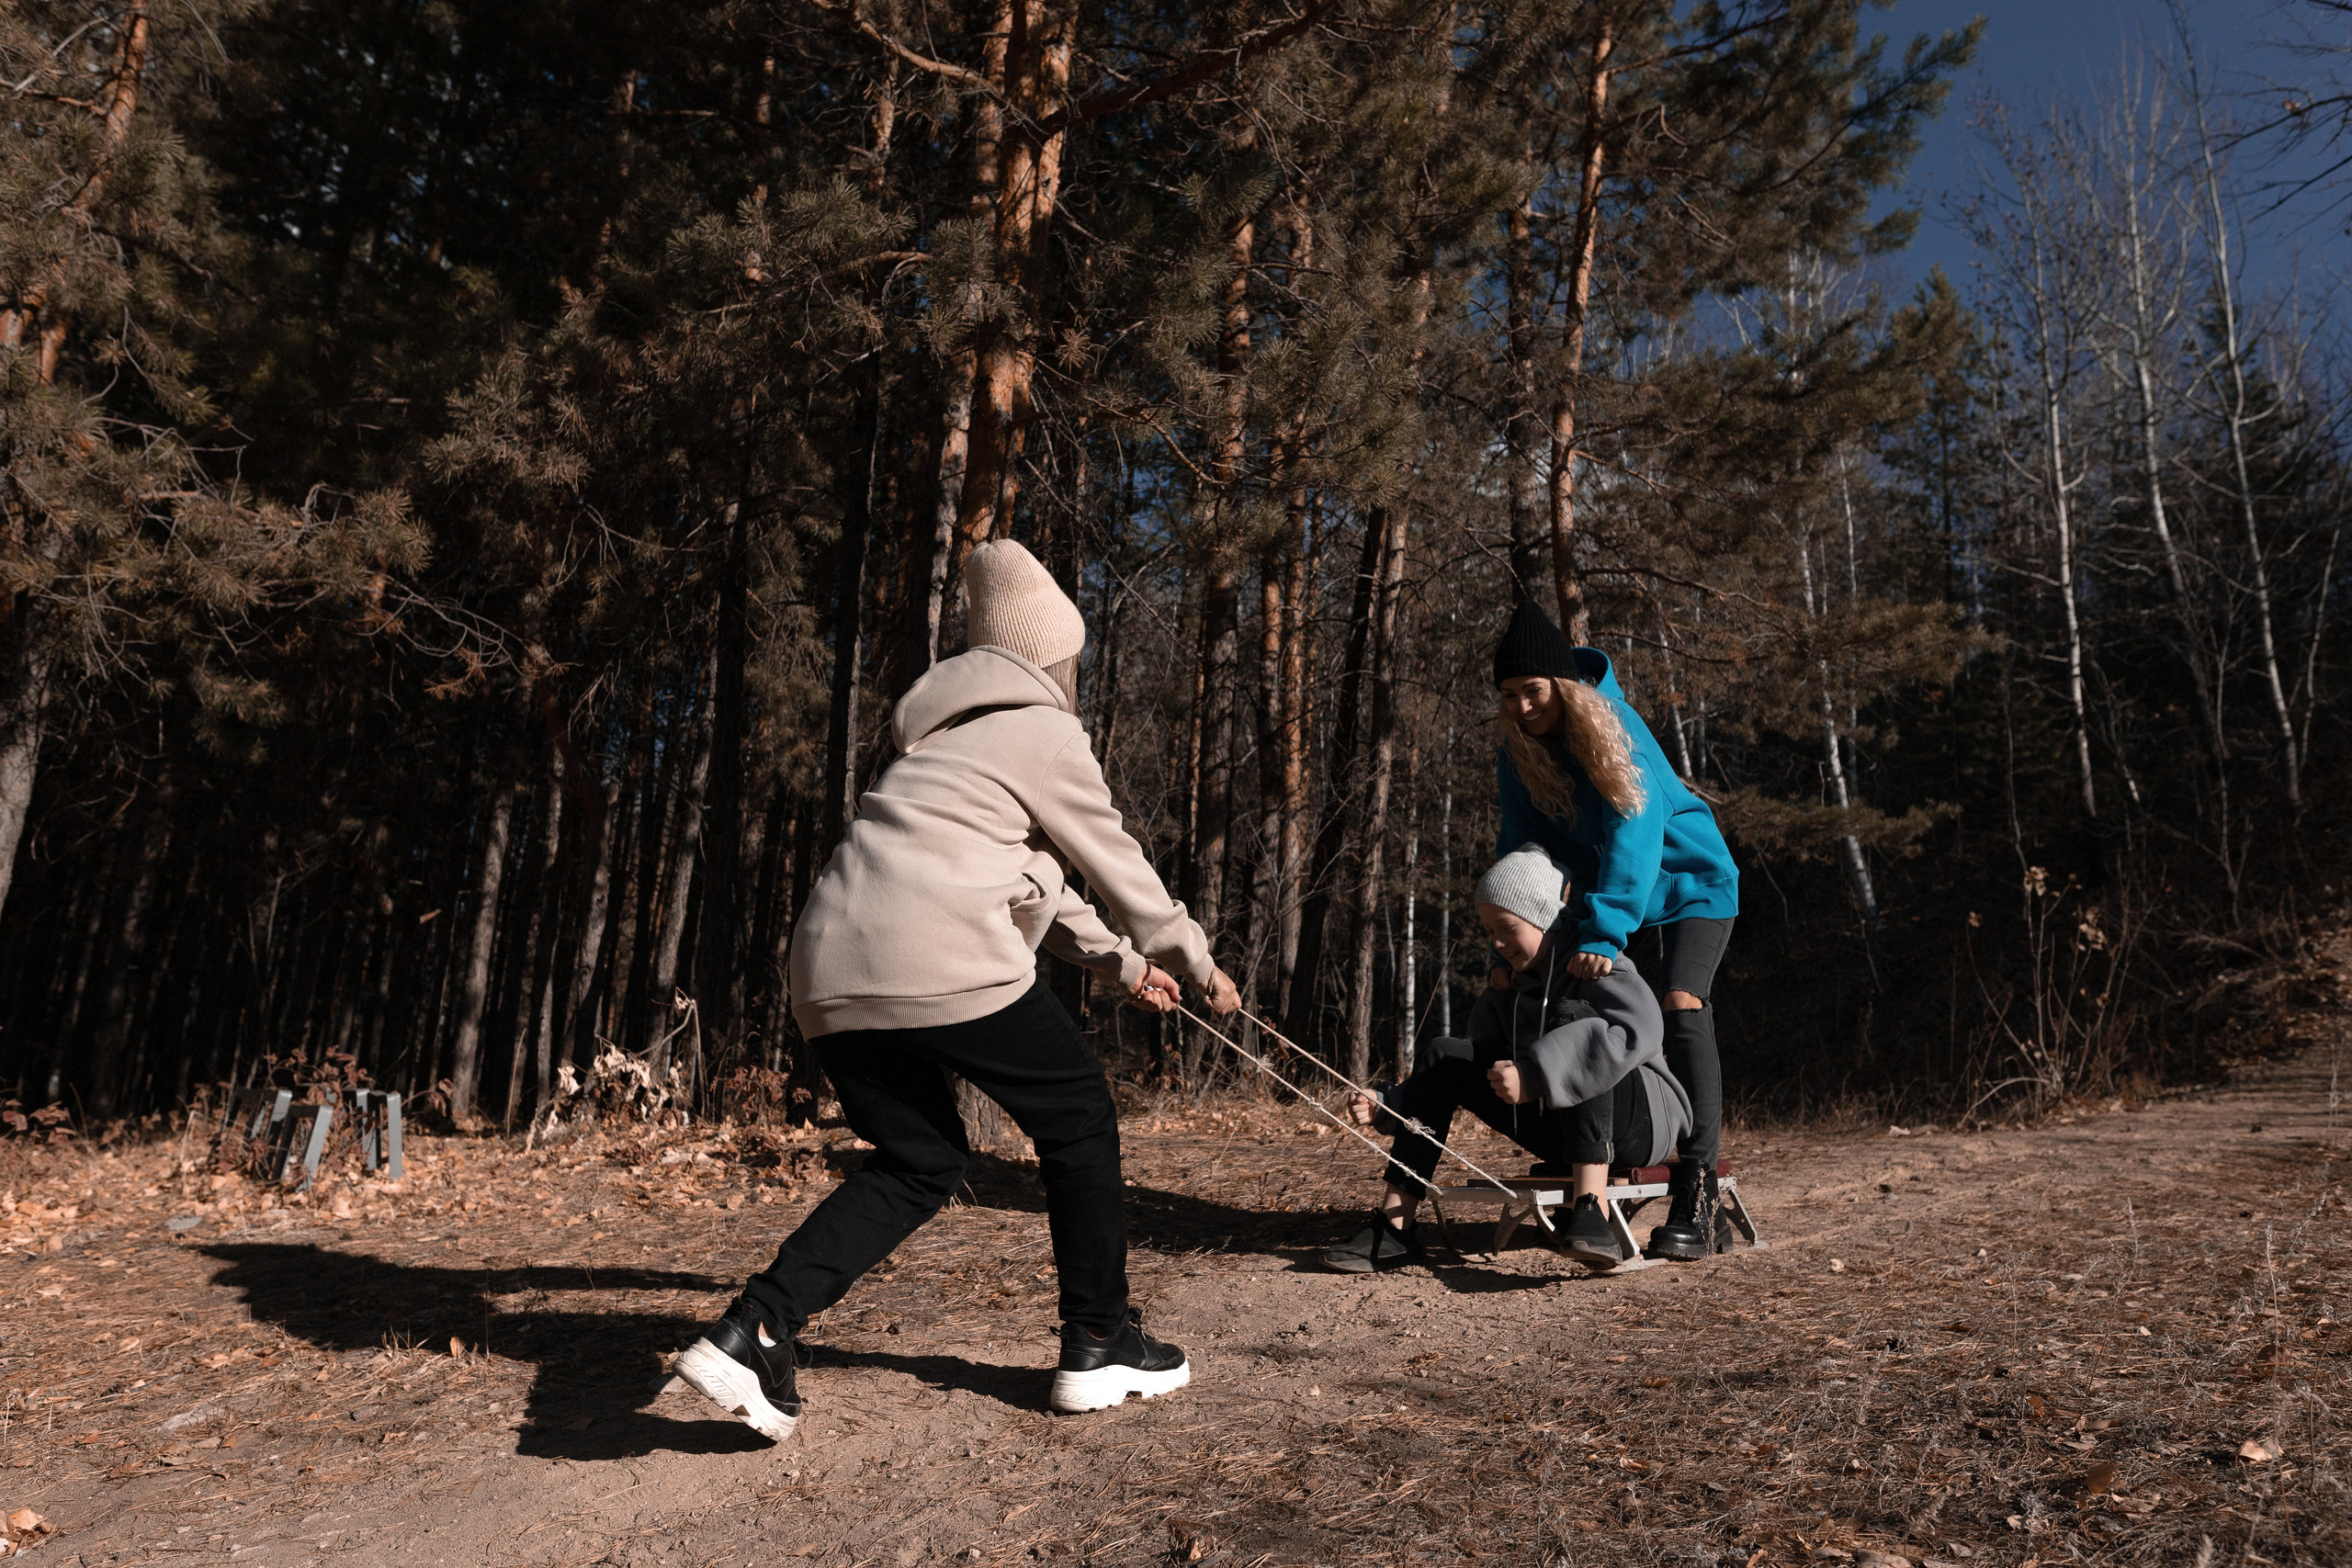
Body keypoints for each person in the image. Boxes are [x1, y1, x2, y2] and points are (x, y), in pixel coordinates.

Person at [673, 539, 1242, 1444]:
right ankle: (1099, 1340)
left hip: (827, 971)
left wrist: (1132, 971)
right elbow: (1117, 865)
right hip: (940, 961)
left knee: (919, 1160)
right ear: (1049, 659)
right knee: (1079, 1118)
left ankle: (756, 1329)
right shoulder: (1045, 732)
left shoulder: (932, 753)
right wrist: (1197, 959)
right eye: (1070, 662)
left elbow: (1037, 892)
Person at [1489, 600, 1738, 1261]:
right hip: (1607, 895)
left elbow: (1636, 832)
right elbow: (1521, 852)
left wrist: (1603, 931)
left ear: (1561, 685)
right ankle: (1590, 1161)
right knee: (1574, 1002)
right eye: (1508, 695)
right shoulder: (1518, 753)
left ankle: (1699, 1190)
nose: (1521, 707)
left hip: (1689, 881)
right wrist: (1515, 940)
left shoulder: (1612, 727)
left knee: (1681, 1005)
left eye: (1533, 690)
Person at [1320, 844, 1690, 1273]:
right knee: (1444, 1054)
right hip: (1564, 1129)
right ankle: (1394, 1225)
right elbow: (1473, 1064)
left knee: (1578, 1022)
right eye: (1489, 930)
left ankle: (1592, 1209)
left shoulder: (1594, 961)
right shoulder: (1510, 987)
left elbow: (1643, 1030)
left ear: (1543, 916)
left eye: (1506, 927)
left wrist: (1535, 1073)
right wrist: (1391, 1103)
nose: (1496, 942)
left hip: (1642, 1126)